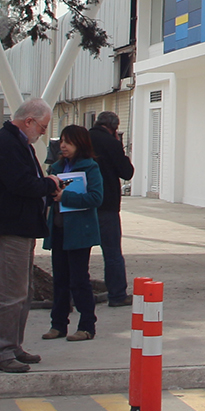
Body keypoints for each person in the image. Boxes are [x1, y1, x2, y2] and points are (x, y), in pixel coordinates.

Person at [0, 97, 61, 373]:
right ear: (28, 121)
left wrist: (45, 187)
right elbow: (20, 183)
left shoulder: (18, 143)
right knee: (10, 294)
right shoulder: (7, 143)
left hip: (20, 227)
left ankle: (13, 346)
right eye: (42, 127)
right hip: (8, 228)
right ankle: (2, 352)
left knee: (22, 293)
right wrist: (48, 184)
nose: (43, 133)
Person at [41, 125, 104, 342]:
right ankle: (58, 325)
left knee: (79, 280)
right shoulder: (56, 167)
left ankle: (87, 326)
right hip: (59, 229)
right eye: (62, 141)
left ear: (80, 143)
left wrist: (65, 197)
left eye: (68, 142)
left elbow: (96, 197)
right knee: (60, 279)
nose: (63, 146)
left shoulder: (90, 167)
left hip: (79, 232)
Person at [88, 111, 136, 306]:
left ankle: (77, 293)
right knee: (112, 252)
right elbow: (126, 172)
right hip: (107, 205)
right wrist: (119, 147)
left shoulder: (83, 140)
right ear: (114, 128)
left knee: (79, 253)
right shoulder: (111, 143)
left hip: (83, 204)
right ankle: (117, 295)